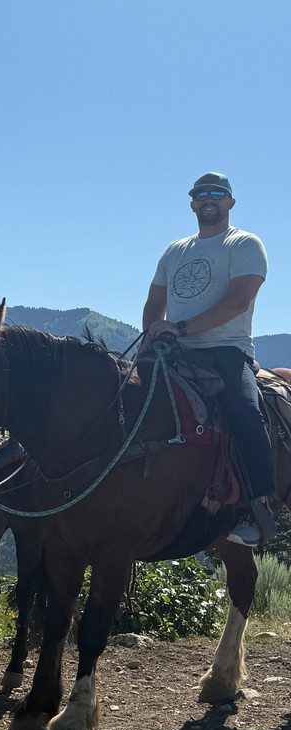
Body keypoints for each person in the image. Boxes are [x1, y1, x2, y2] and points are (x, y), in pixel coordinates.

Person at [142, 172, 275, 548]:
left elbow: (237, 302)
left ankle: (257, 505)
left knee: (244, 408)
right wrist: (152, 334)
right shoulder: (174, 251)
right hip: (174, 352)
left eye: (217, 193)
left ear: (231, 202)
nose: (208, 199)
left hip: (226, 352)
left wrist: (179, 328)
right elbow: (154, 303)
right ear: (192, 204)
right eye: (201, 194)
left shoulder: (245, 244)